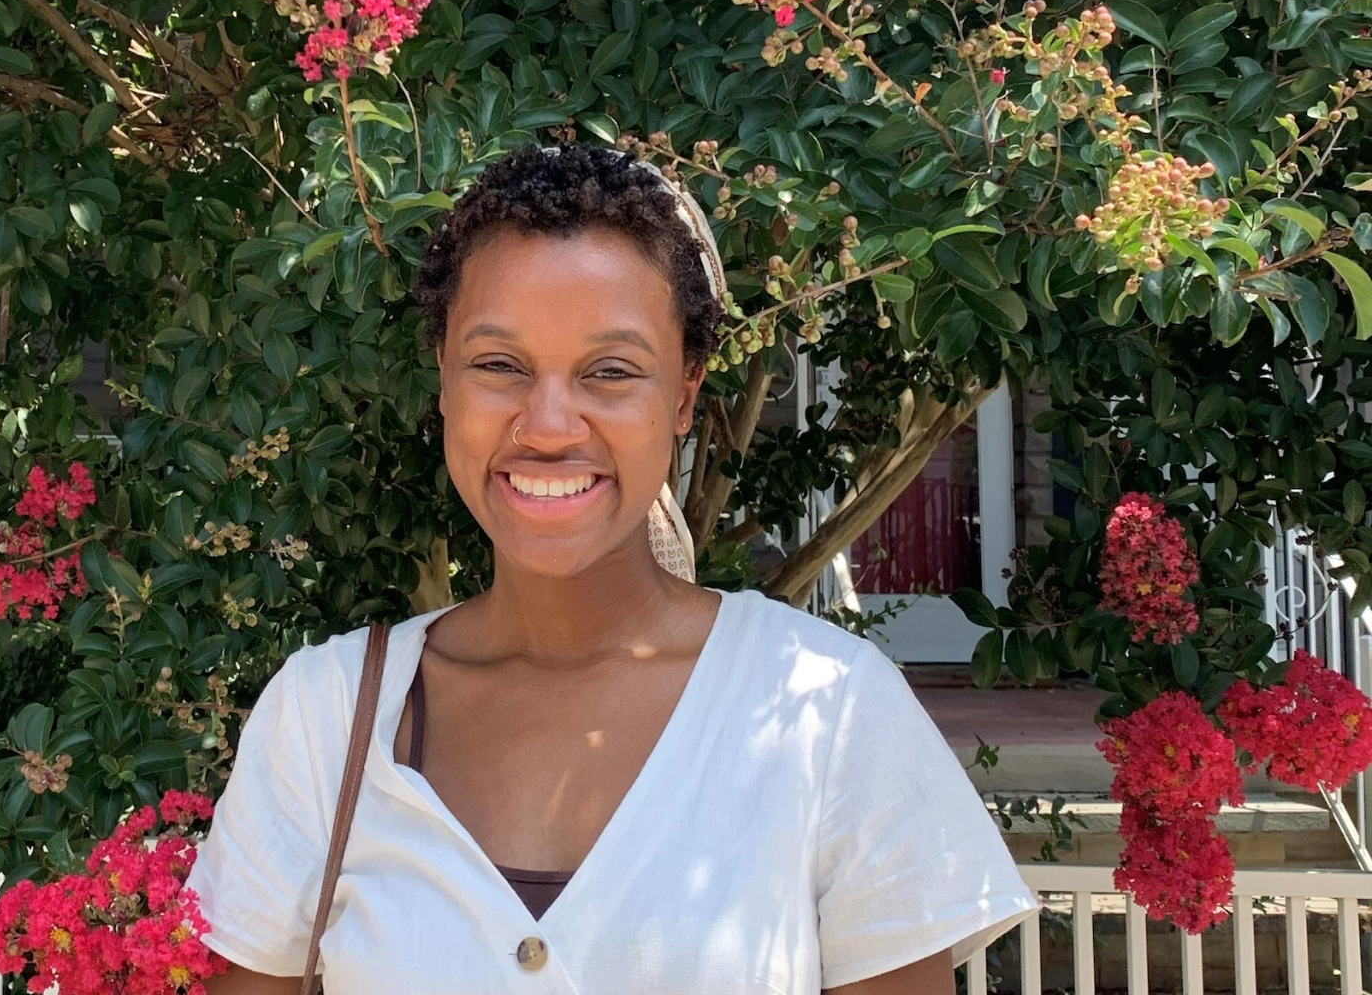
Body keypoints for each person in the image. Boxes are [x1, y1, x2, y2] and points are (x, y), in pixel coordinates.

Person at [192, 143, 1037, 994]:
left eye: (610, 371)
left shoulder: (831, 711)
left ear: (683, 396)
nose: (550, 424)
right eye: (499, 365)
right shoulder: (326, 717)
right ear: (443, 380)